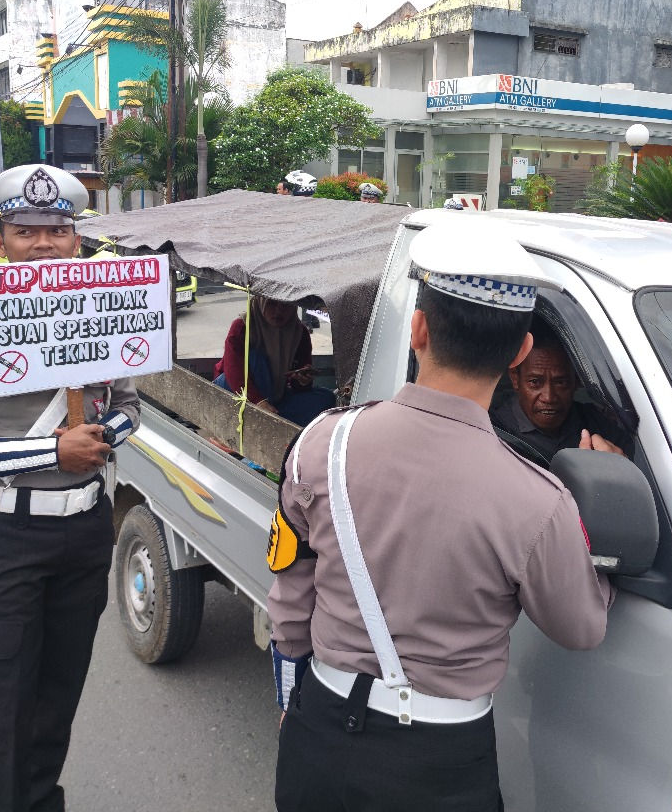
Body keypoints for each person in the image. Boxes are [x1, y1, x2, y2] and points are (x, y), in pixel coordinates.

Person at [267, 223, 613, 812]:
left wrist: (293, 707)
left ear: (418, 328)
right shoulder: (539, 501)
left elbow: (290, 595)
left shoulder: (322, 444)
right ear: (521, 351)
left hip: (320, 733)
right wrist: (599, 510)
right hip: (441, 764)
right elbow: (581, 628)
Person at [0, 163, 140, 812]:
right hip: (4, 539)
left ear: (77, 241)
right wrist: (51, 449)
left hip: (86, 532)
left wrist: (104, 435)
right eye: (26, 230)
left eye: (58, 230)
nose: (44, 243)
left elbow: (131, 406)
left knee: (56, 701)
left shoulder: (106, 315)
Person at [490, 320, 625, 463]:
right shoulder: (493, 430)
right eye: (535, 382)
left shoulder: (599, 426)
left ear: (577, 381)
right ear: (515, 379)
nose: (548, 397)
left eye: (561, 383)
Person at [213, 296, 336, 426]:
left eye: (286, 305)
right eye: (272, 304)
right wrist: (258, 402)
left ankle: (269, 419)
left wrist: (302, 380)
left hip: (276, 395)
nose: (278, 311)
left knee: (326, 398)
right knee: (258, 360)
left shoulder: (299, 333)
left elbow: (297, 385)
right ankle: (264, 417)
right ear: (261, 303)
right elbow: (234, 372)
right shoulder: (242, 326)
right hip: (234, 391)